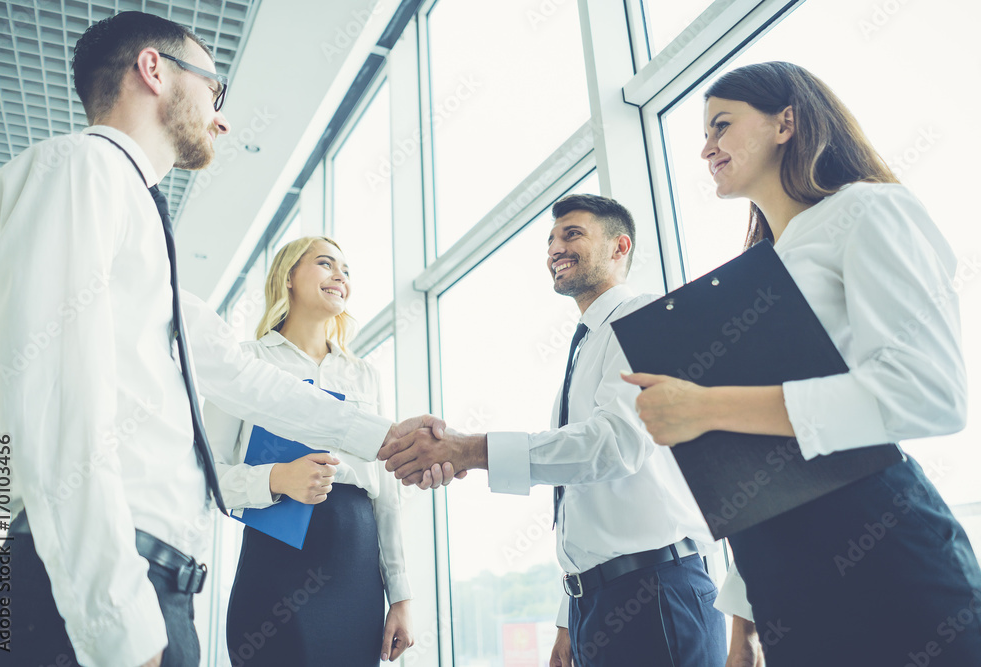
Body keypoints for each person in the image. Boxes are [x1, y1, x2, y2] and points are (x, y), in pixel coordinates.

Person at [0, 12, 445, 667]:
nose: (221, 119)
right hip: (96, 590)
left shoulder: (140, 234)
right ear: (153, 70)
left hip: (148, 586)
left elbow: (244, 376)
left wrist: (387, 438)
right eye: (215, 92)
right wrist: (122, 626)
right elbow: (50, 400)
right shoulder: (80, 170)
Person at [620, 61, 981, 666]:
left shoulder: (868, 210)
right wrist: (745, 620)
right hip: (781, 574)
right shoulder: (762, 263)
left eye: (722, 125)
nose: (705, 147)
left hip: (881, 544)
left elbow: (929, 392)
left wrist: (703, 407)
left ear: (786, 122)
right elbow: (760, 465)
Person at [380, 194, 727, 666]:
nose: (554, 249)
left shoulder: (643, 316)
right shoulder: (586, 345)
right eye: (550, 240)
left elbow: (615, 445)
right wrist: (571, 617)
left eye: (572, 234)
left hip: (658, 593)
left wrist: (471, 450)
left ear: (620, 246)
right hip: (598, 603)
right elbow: (581, 493)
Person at [204, 236, 416, 665]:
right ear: (288, 278)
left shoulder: (364, 376)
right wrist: (276, 478)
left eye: (347, 270)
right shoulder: (246, 362)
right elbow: (207, 476)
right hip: (276, 559)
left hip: (355, 566)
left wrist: (401, 595)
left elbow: (387, 496)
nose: (341, 276)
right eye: (325, 263)